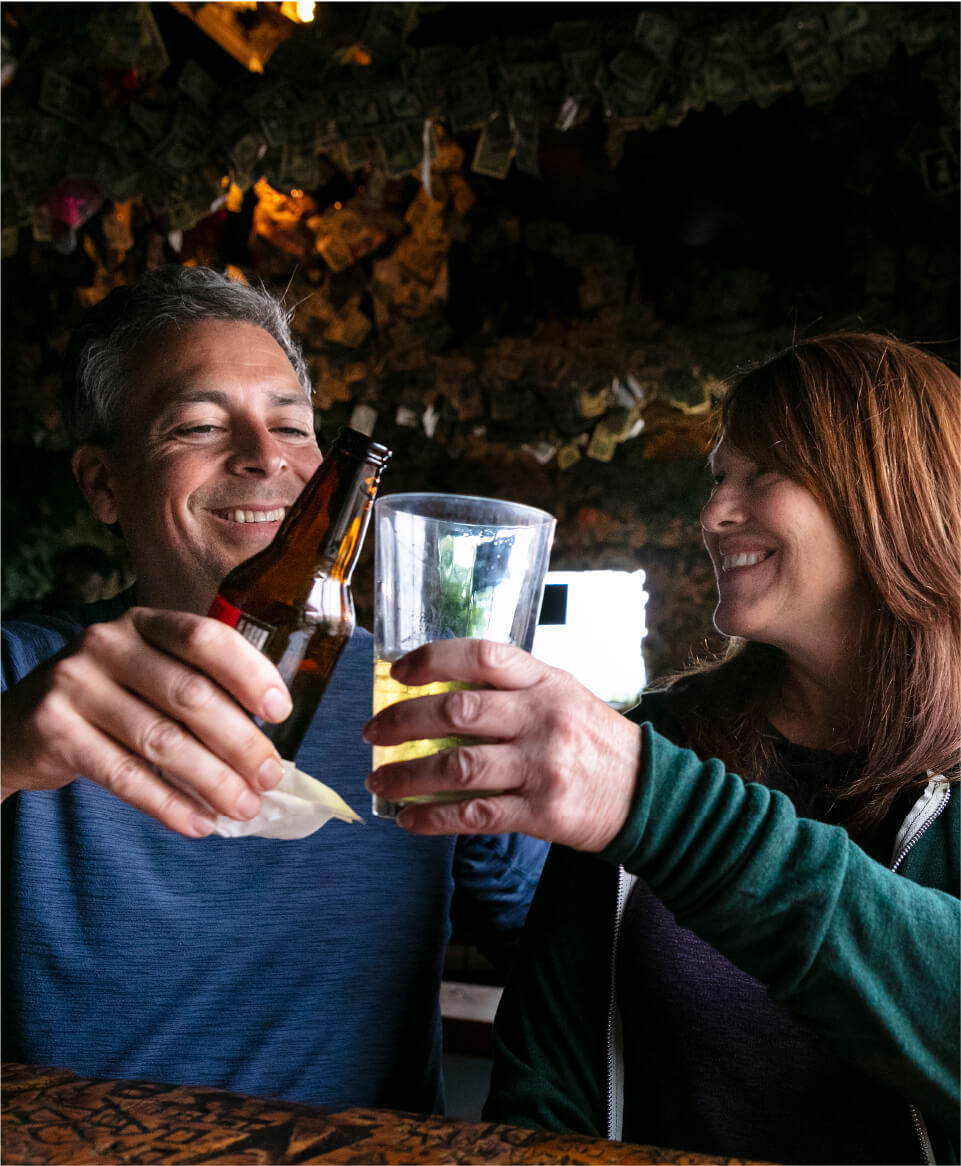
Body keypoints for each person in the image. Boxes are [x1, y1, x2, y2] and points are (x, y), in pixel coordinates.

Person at [362, 332, 960, 1164]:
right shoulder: (657, 744)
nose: (714, 513)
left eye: (765, 473)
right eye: (718, 476)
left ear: (888, 495)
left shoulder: (644, 777)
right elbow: (545, 1076)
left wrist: (657, 805)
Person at [1, 265, 547, 1112]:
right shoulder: (24, 677)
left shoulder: (419, 696)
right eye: (197, 426)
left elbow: (559, 950)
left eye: (291, 427)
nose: (265, 458)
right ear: (104, 484)